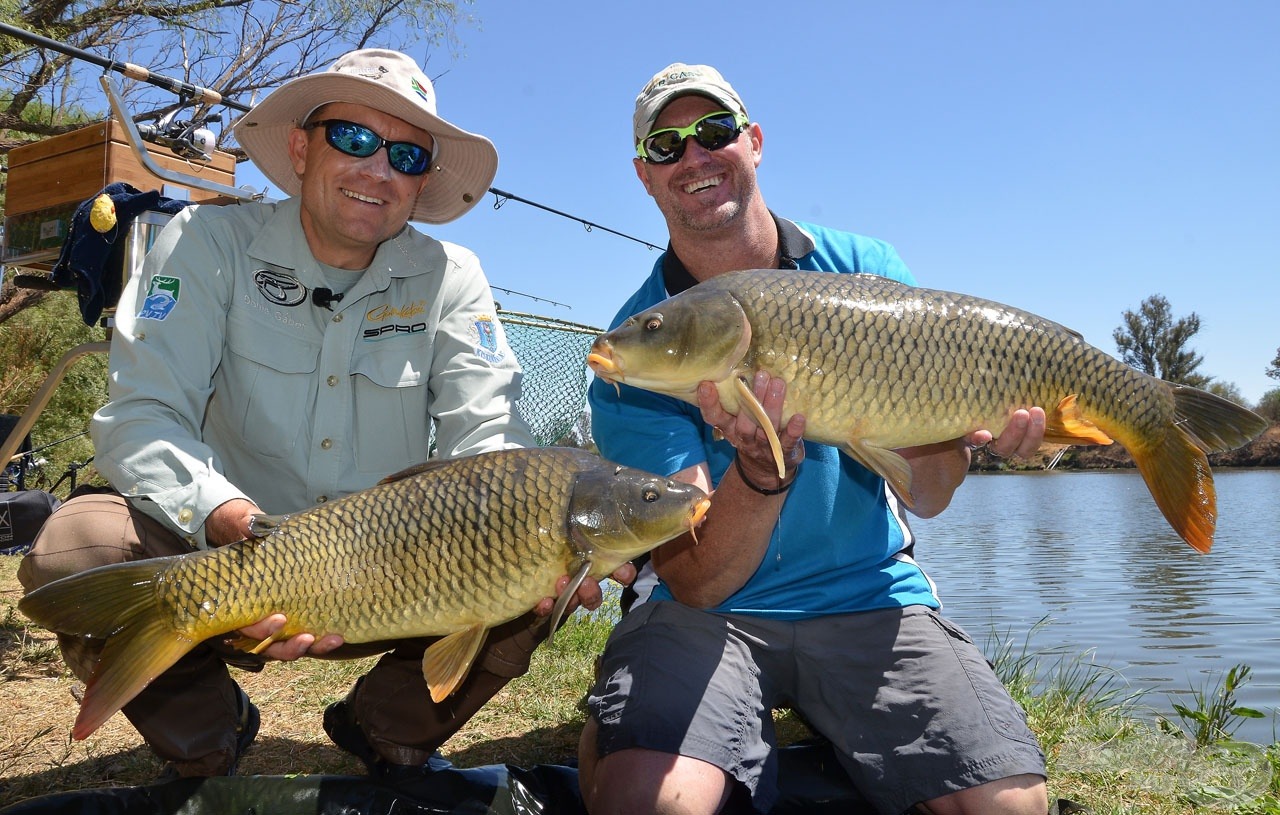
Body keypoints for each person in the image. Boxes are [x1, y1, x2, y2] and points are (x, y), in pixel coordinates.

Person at [19, 48, 621, 781]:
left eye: (404, 155)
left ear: (421, 181)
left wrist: (546, 512)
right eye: (355, 139)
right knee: (77, 544)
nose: (378, 170)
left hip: (399, 580)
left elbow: (487, 437)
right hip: (227, 557)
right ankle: (208, 733)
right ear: (302, 147)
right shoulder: (205, 243)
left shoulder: (449, 276)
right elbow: (142, 416)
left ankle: (385, 728)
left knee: (537, 564)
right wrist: (227, 516)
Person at [577, 63, 1051, 815]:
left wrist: (977, 438)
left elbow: (926, 495)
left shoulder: (866, 270)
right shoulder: (639, 352)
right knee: (653, 803)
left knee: (1008, 807)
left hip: (869, 594)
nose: (694, 157)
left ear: (754, 141)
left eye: (715, 132)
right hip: (707, 617)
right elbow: (695, 577)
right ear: (645, 175)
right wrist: (762, 474)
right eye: (667, 146)